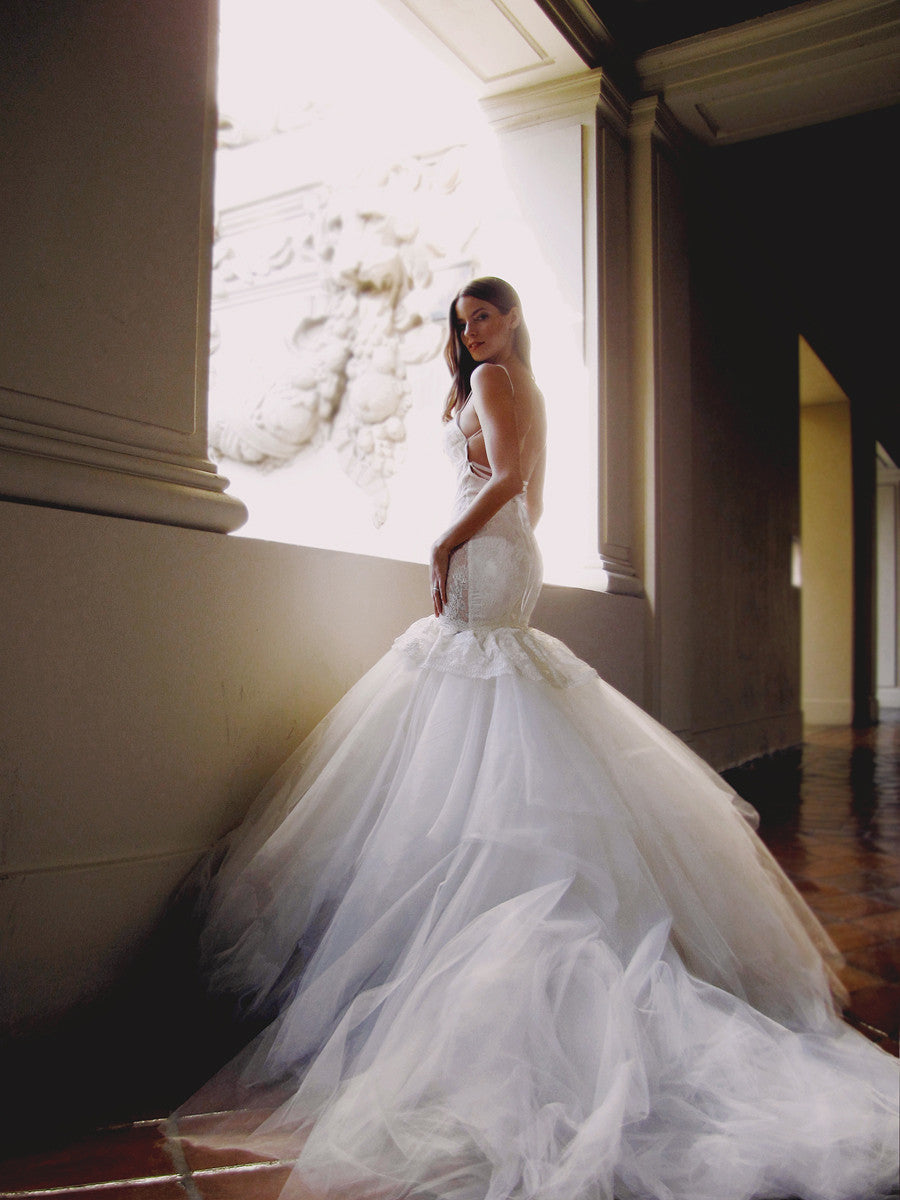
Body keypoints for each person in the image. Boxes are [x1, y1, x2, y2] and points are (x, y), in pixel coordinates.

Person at [172, 278, 899, 1200]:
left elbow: (508, 481)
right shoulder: (521, 387)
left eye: (484, 316)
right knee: (486, 690)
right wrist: (489, 538)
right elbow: (531, 498)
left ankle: (470, 907)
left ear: (511, 319)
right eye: (462, 321)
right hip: (508, 548)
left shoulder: (495, 384)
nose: (470, 331)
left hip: (485, 545)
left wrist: (446, 544)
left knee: (469, 679)